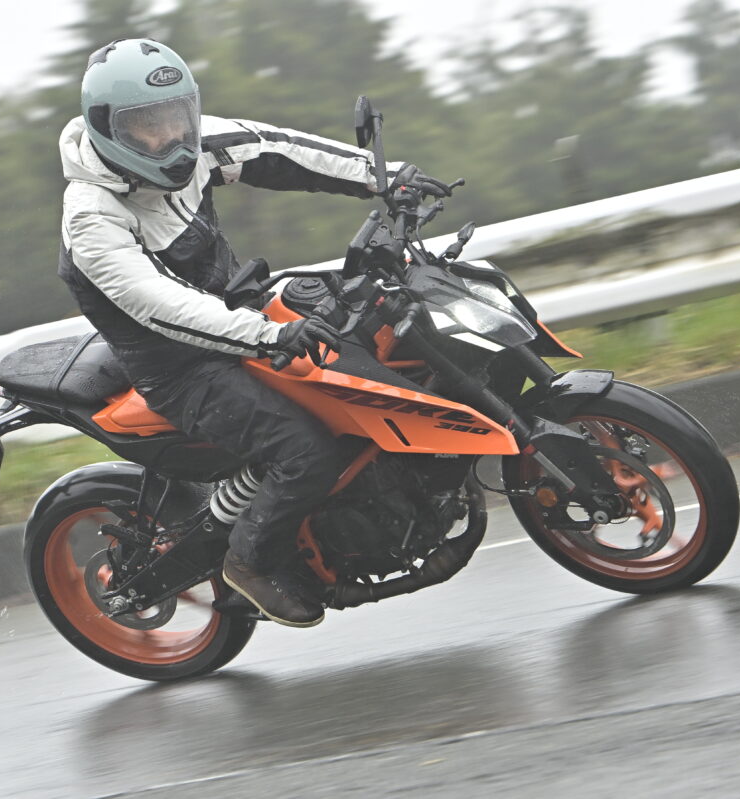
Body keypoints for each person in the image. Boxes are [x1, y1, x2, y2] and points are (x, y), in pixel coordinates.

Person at [58, 38, 450, 628]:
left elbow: (277, 149)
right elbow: (162, 306)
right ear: (108, 128)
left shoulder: (195, 144)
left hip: (243, 315)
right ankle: (250, 562)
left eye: (178, 117)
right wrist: (265, 336)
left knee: (373, 352)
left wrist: (384, 179)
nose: (172, 138)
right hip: (183, 368)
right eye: (148, 126)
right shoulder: (93, 217)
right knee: (304, 451)